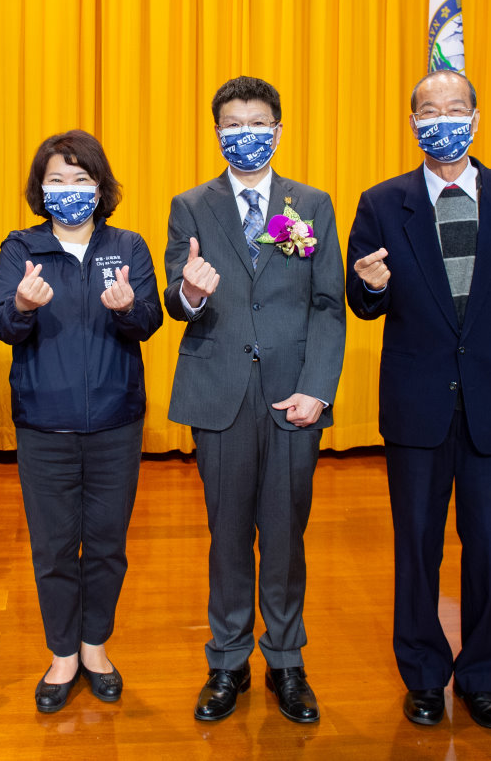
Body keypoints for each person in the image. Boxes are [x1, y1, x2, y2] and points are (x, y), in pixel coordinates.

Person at [345, 68, 491, 730]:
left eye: (454, 107)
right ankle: (421, 673)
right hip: (417, 407)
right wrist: (371, 284)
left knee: (490, 547)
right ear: (411, 123)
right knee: (415, 546)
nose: (442, 118)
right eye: (428, 110)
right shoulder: (382, 203)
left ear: (475, 116)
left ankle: (482, 677)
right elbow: (360, 300)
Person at [163, 75, 347, 724]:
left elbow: (329, 305)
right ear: (216, 133)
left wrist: (318, 390)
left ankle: (287, 659)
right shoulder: (190, 206)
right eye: (232, 124)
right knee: (227, 533)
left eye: (256, 123)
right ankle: (227, 660)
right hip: (219, 396)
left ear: (277, 129)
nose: (245, 134)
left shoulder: (313, 204)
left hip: (293, 397)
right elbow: (173, 300)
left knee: (286, 534)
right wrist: (190, 293)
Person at [0, 130, 164, 713]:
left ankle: (95, 647)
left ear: (100, 186)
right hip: (45, 425)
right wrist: (23, 307)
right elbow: (1, 325)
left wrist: (127, 310)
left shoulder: (129, 245)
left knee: (108, 546)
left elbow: (149, 321)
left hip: (116, 423)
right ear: (40, 189)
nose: (69, 191)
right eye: (57, 181)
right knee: (55, 547)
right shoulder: (20, 247)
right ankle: (62, 653)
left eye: (81, 179)